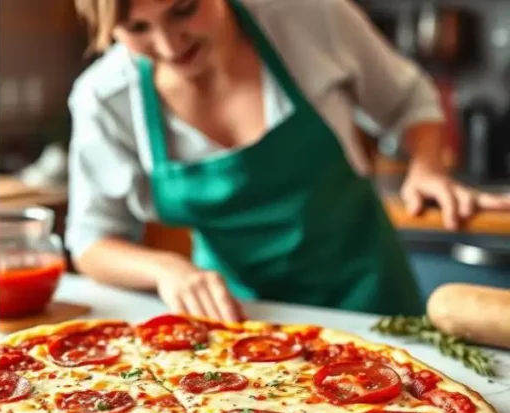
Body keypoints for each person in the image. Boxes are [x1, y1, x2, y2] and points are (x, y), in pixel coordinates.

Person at [66, 0, 510, 322]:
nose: (168, 44)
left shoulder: (309, 16)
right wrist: (169, 270)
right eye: (136, 28)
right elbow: (90, 241)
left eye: (184, 10)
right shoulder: (103, 99)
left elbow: (408, 99)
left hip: (373, 301)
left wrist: (427, 167)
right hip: (237, 317)